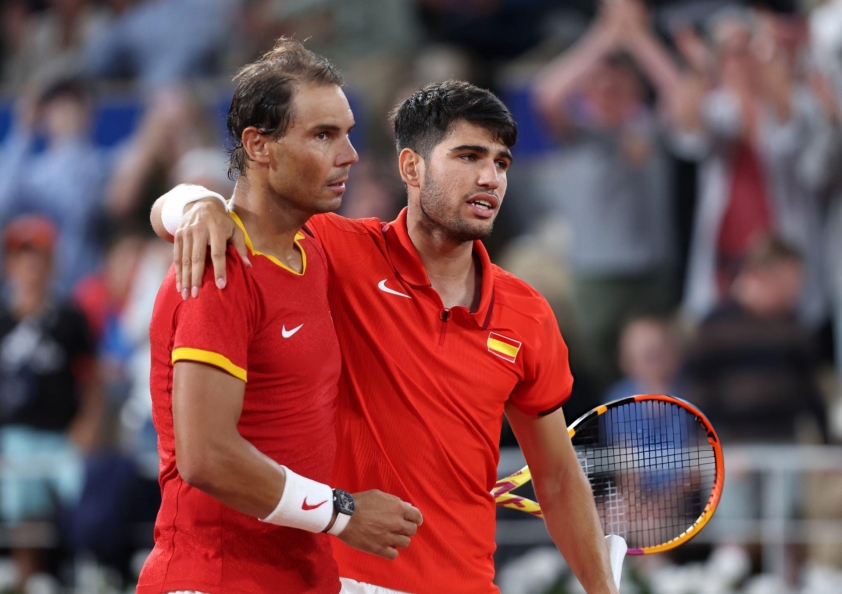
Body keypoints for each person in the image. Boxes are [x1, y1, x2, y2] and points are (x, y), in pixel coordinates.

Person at [152, 80, 619, 593]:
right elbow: (227, 212)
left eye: (501, 163)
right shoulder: (334, 250)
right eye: (468, 156)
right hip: (345, 578)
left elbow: (557, 478)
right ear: (411, 168)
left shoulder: (528, 314)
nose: (490, 178)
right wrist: (197, 205)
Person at [138, 39, 421, 594]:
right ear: (259, 146)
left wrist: (188, 202)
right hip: (215, 578)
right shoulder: (219, 269)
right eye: (323, 135)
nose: (350, 154)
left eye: (348, 133)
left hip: (304, 574)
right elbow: (206, 457)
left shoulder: (314, 248)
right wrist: (342, 512)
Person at [531, 0, 679, 385]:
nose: (608, 88)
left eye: (618, 81)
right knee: (599, 378)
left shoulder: (650, 130)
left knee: (658, 374)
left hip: (652, 270)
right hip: (596, 275)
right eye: (598, 82)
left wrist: (639, 38)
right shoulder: (576, 135)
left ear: (636, 88)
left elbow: (681, 97)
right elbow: (546, 95)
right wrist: (604, 35)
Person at [0, 215, 102, 590]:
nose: (30, 266)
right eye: (22, 256)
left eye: (38, 257)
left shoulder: (70, 319)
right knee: (19, 492)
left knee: (82, 491)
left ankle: (79, 573)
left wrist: (87, 426)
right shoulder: (2, 320)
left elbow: (93, 378)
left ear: (52, 263)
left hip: (63, 435)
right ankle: (27, 576)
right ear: (10, 264)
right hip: (13, 435)